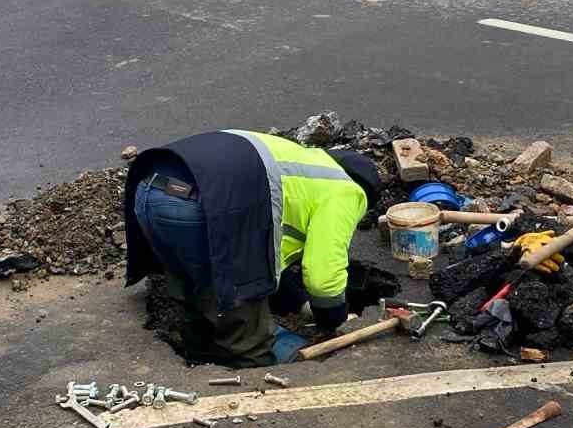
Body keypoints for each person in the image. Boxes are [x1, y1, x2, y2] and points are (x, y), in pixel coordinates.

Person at [124, 131, 384, 367]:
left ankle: (201, 354)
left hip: (149, 190)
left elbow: (271, 254)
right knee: (241, 307)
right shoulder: (347, 190)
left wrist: (295, 300)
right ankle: (260, 365)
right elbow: (322, 277)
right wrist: (332, 321)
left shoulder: (298, 167)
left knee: (196, 285)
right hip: (195, 206)